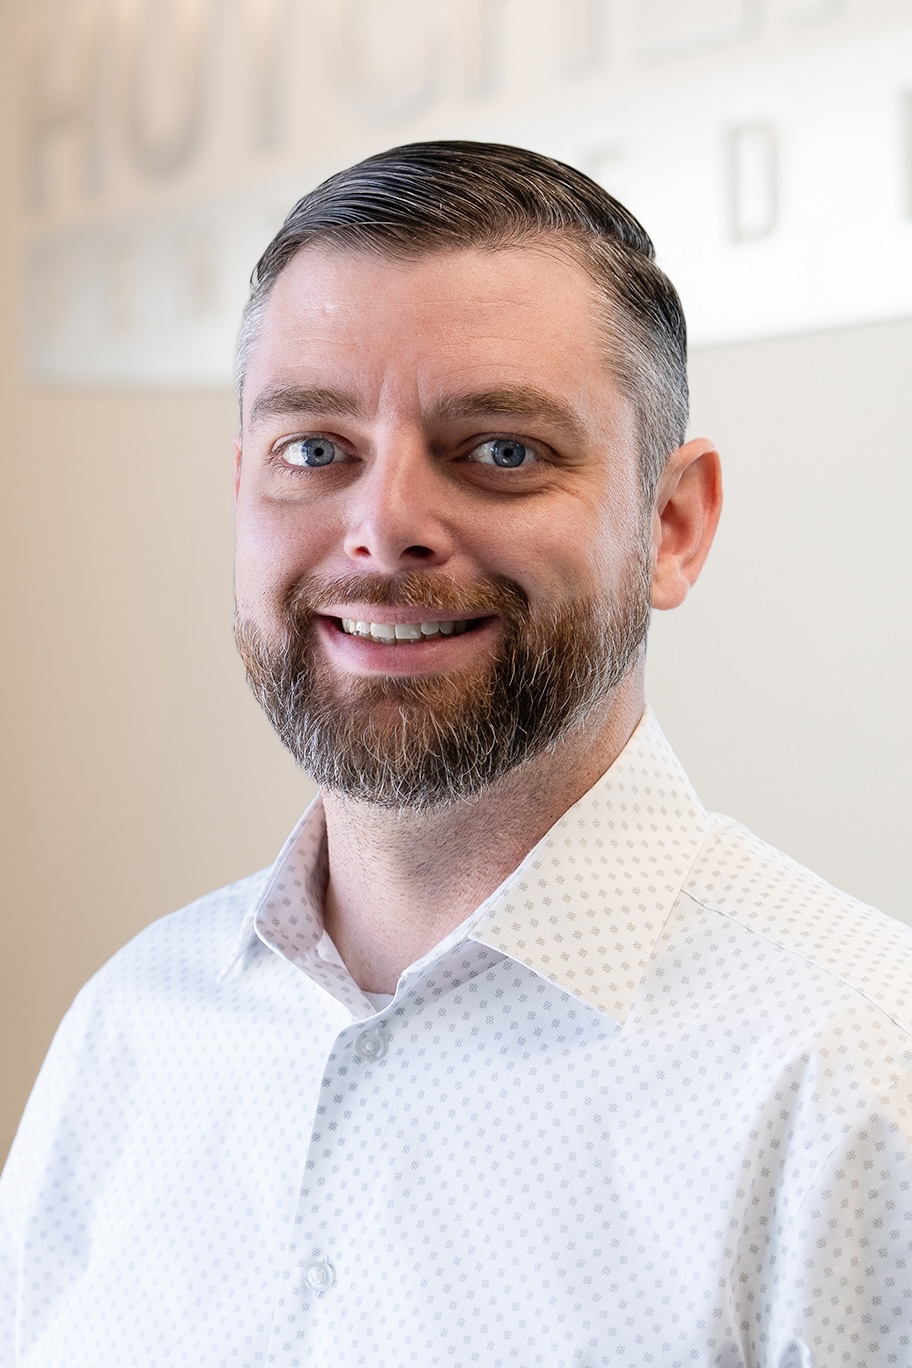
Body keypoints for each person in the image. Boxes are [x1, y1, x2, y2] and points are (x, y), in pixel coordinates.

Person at [1, 141, 910, 1368]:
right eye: (314, 449)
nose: (383, 530)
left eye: (501, 450)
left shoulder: (863, 1076)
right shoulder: (130, 1029)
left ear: (673, 526)